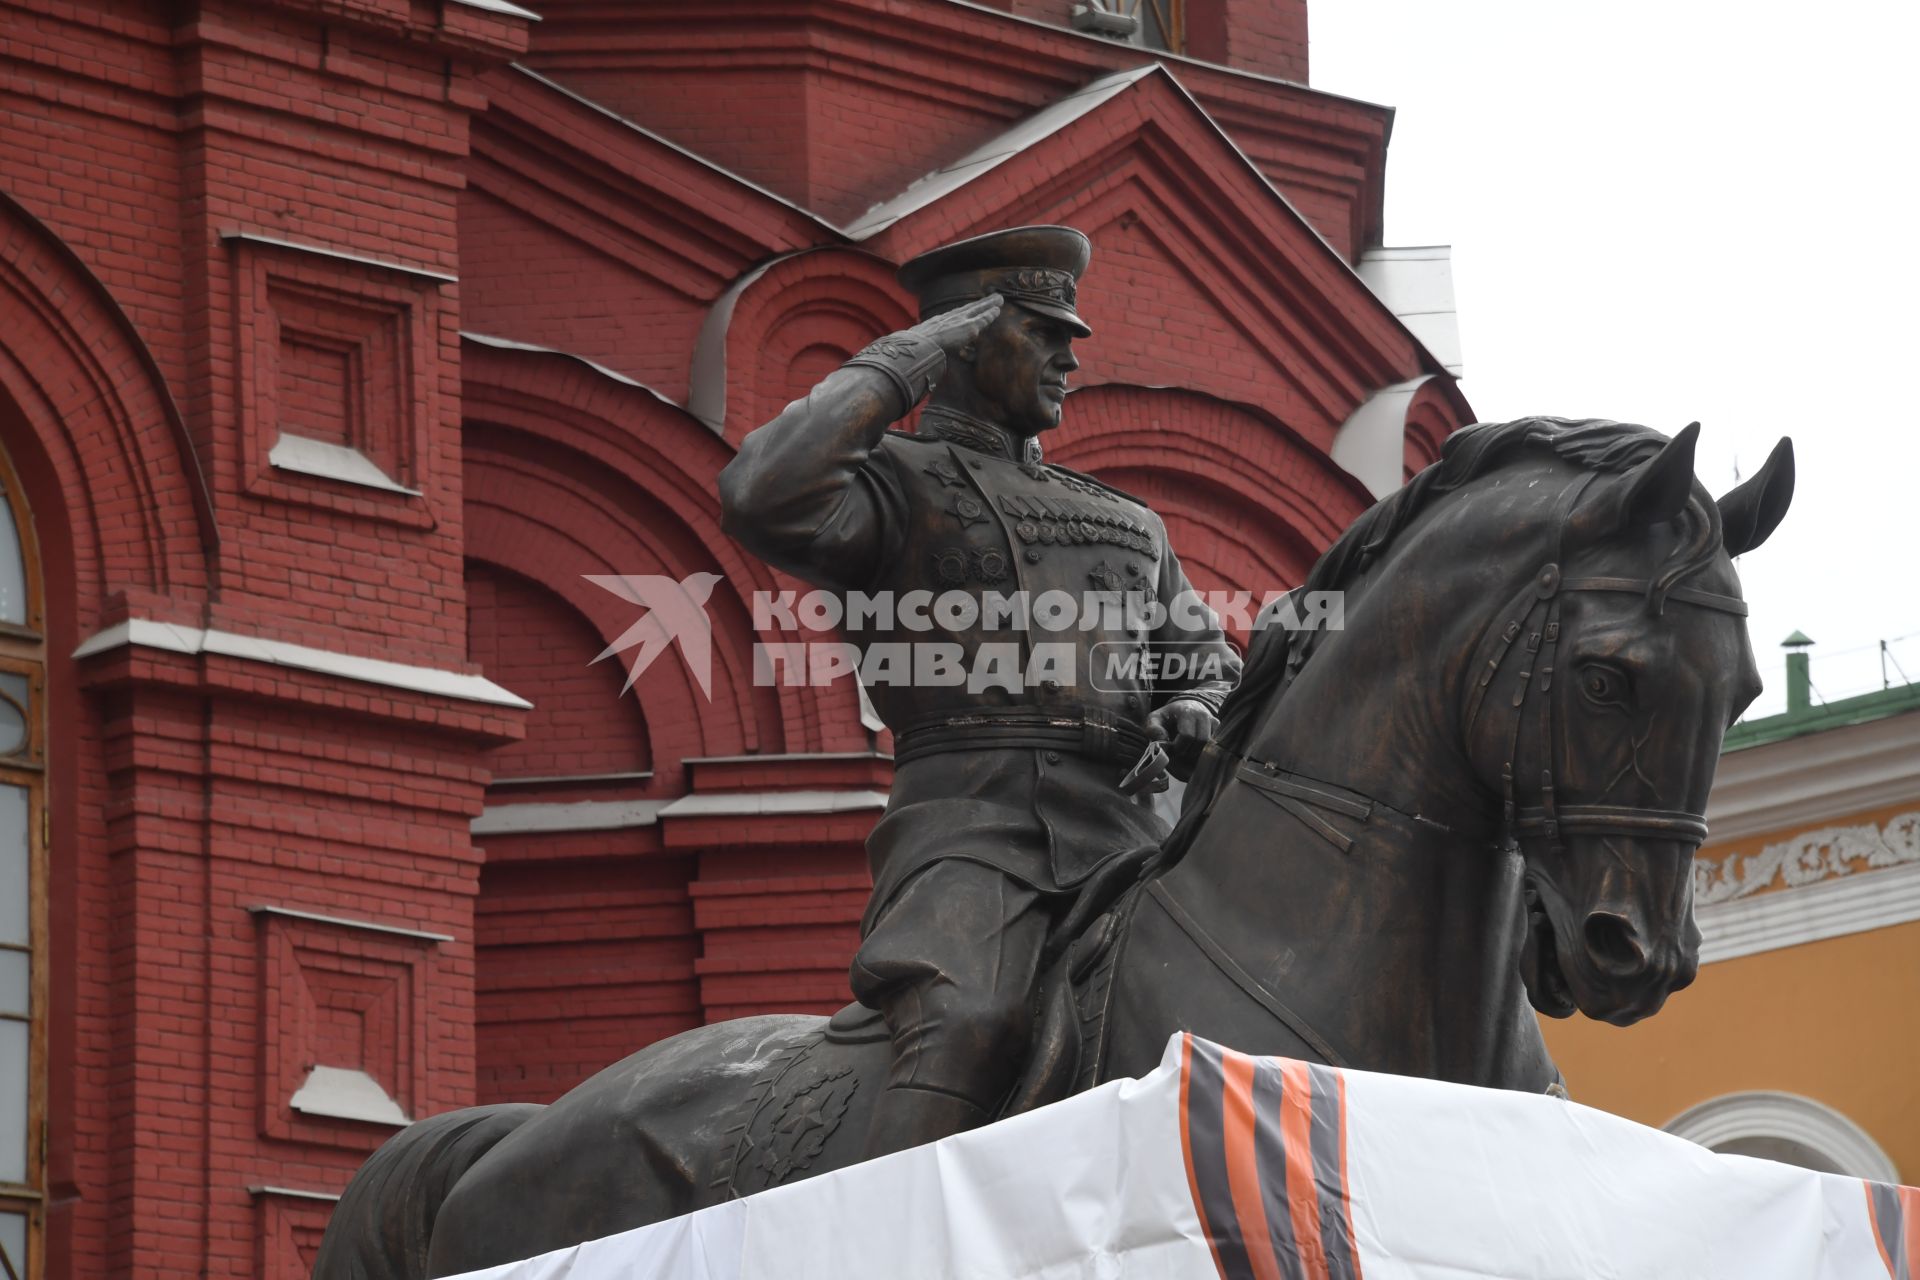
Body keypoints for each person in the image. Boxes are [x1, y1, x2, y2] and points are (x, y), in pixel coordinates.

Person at [718, 225, 1240, 1156]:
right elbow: (763, 491)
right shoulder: (897, 484)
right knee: (967, 1019)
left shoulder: (1127, 521)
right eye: (1042, 332)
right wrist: (902, 363)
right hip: (976, 832)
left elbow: (1206, 662)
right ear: (965, 339)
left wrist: (1198, 706)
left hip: (1134, 833)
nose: (1070, 354)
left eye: (1070, 334)